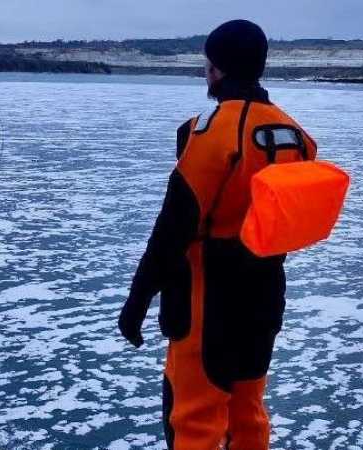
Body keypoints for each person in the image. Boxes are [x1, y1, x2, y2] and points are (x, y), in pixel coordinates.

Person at [117, 20, 318, 450]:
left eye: (208, 64)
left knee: (193, 419)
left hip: (207, 300)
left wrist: (136, 303)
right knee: (247, 413)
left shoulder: (211, 131)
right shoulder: (295, 134)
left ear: (218, 68)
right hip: (264, 295)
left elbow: (172, 229)